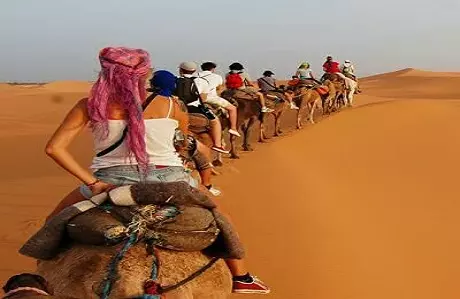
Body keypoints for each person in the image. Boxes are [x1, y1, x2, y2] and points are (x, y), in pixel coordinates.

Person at [44, 48, 269, 294]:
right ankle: (242, 277)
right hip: (171, 180)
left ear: (104, 72)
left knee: (52, 224)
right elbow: (183, 143)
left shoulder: (89, 105)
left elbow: (54, 149)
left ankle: (40, 277)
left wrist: (93, 183)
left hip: (110, 180)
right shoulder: (172, 105)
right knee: (223, 220)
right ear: (144, 74)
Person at [175, 62, 230, 154]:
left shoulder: (175, 80)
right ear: (194, 71)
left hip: (178, 108)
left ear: (180, 70)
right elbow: (203, 98)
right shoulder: (201, 81)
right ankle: (217, 145)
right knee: (215, 121)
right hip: (194, 108)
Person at [197, 62, 240, 137]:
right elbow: (220, 89)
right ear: (212, 69)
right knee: (233, 108)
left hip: (196, 99)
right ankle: (233, 128)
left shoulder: (196, 75)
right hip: (211, 98)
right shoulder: (217, 77)